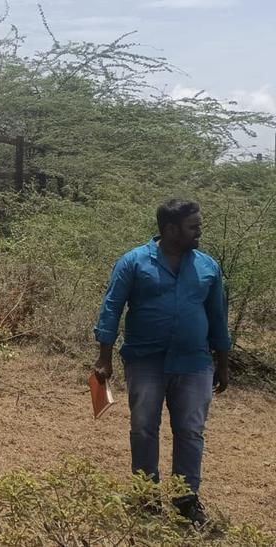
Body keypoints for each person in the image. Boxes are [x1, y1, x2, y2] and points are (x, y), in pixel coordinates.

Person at [93, 199, 231, 526]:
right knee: (143, 428)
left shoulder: (208, 266)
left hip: (194, 363)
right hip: (145, 362)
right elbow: (112, 308)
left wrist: (222, 363)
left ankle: (186, 501)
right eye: (193, 226)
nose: (199, 231)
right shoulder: (133, 262)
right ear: (170, 230)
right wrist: (104, 357)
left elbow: (218, 317)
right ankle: (145, 498)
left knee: (190, 431)